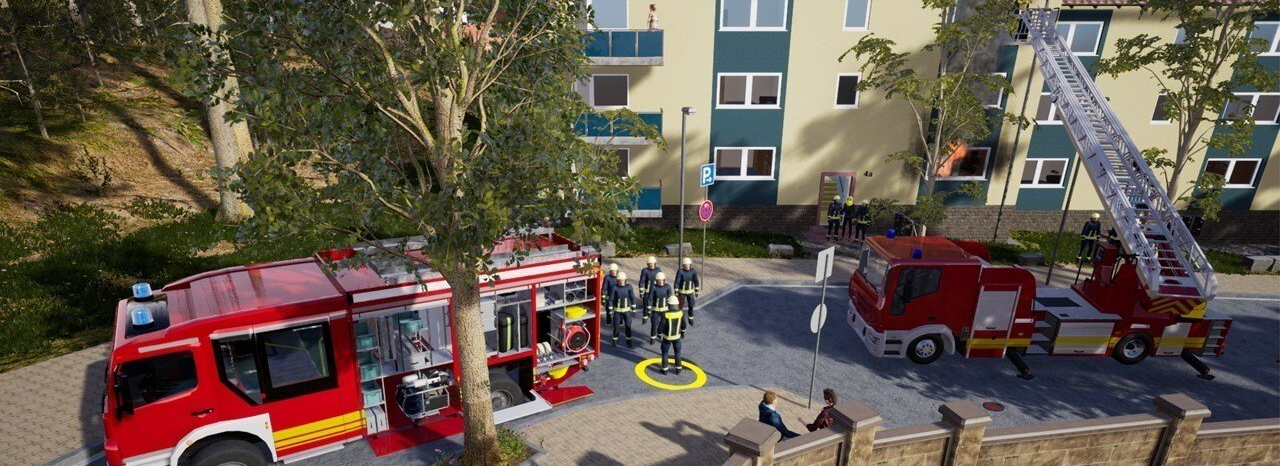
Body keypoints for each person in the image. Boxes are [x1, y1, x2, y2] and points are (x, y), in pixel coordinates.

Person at [657, 295, 686, 374]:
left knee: (665, 353)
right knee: (677, 352)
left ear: (669, 305)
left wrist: (659, 334)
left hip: (667, 337)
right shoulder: (680, 313)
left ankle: (665, 370)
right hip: (677, 337)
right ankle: (678, 369)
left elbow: (661, 326)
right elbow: (684, 325)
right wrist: (683, 333)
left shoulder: (665, 314)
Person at [609, 272, 639, 348]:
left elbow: (632, 297)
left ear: (625, 280)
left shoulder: (629, 287)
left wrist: (634, 308)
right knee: (616, 327)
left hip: (626, 311)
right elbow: (611, 299)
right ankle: (614, 341)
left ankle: (629, 341)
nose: (621, 281)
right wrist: (610, 310)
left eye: (622, 280)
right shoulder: (614, 287)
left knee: (628, 326)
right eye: (619, 280)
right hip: (617, 311)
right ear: (617, 280)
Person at [647, 271, 673, 344]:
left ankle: (659, 333)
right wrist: (649, 310)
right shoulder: (653, 287)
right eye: (659, 280)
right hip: (655, 309)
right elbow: (650, 299)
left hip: (665, 309)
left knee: (663, 324)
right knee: (654, 324)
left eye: (661, 280)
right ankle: (652, 338)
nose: (660, 282)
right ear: (656, 280)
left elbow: (670, 298)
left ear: (664, 280)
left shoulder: (667, 287)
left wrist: (671, 308)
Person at [674, 257, 700, 326]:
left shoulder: (693, 271)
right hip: (681, 292)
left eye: (688, 264)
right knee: (680, 306)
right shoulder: (680, 272)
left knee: (691, 305)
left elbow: (696, 281)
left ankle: (690, 318)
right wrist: (676, 291)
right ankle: (680, 319)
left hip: (690, 292)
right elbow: (677, 282)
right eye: (686, 265)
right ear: (683, 265)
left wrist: (697, 290)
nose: (687, 266)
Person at [637, 256, 662, 323]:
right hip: (648, 292)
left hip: (656, 292)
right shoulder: (645, 271)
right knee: (646, 305)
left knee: (656, 305)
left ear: (655, 263)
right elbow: (641, 281)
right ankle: (644, 319)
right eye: (650, 263)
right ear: (648, 264)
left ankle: (656, 319)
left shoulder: (658, 270)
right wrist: (641, 292)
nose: (651, 265)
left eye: (652, 263)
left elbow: (661, 280)